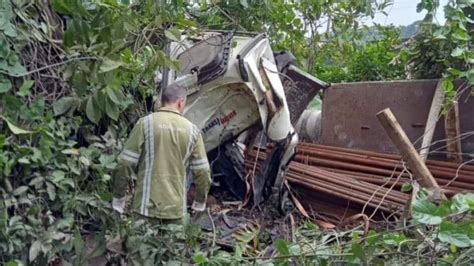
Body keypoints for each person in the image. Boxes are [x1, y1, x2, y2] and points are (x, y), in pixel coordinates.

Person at [111, 83, 211, 224]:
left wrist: (118, 198)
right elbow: (203, 172)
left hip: (145, 210)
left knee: (140, 245)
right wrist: (200, 202)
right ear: (181, 102)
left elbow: (125, 163)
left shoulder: (145, 124)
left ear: (161, 101)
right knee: (172, 246)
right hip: (176, 212)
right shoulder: (193, 131)